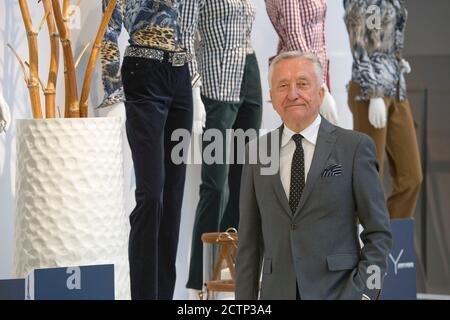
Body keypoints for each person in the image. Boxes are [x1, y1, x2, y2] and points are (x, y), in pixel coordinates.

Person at [235, 51, 392, 300]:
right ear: (272, 97)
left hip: (340, 293)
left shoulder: (354, 148)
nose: (293, 94)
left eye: (302, 84)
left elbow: (378, 234)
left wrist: (366, 292)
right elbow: (248, 245)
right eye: (283, 86)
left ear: (320, 93)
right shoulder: (256, 152)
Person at [100, 0, 193, 300]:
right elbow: (108, 30)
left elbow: (187, 25)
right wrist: (113, 91)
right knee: (151, 195)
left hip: (181, 77)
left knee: (174, 196)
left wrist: (195, 83)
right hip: (143, 73)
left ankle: (164, 295)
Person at [181, 0, 263, 292]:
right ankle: (198, 279)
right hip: (217, 85)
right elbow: (185, 33)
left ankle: (230, 272)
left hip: (249, 75)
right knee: (216, 186)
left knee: (245, 180)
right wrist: (193, 87)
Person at [344, 0, 422, 219]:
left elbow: (387, 38)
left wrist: (396, 61)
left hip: (396, 88)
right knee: (371, 176)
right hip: (369, 90)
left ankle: (394, 242)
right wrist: (374, 92)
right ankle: (374, 242)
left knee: (412, 176)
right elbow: (359, 45)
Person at [264, 0, 338, 125]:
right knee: (307, 136)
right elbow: (294, 35)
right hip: (302, 75)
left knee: (322, 137)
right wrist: (320, 85)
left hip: (316, 71)